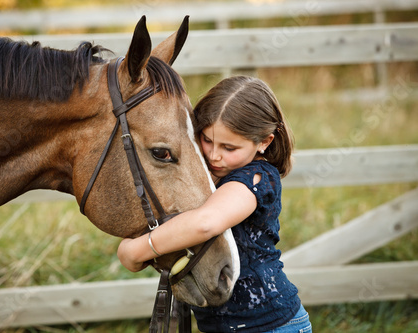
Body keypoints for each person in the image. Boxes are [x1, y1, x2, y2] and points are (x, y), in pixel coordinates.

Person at [117, 76, 311, 333]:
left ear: (264, 142)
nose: (214, 154)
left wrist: (138, 250)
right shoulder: (204, 176)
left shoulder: (256, 178)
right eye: (207, 140)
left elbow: (205, 223)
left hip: (270, 325)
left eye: (229, 147)